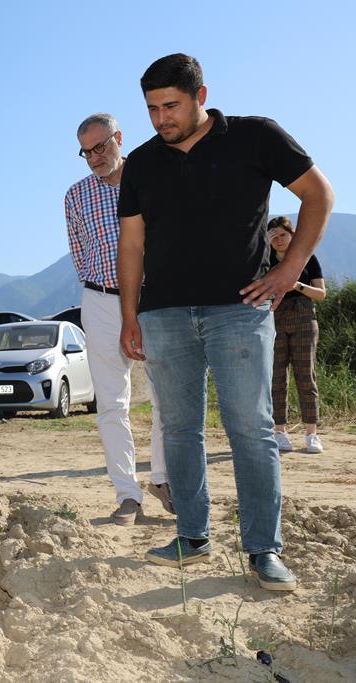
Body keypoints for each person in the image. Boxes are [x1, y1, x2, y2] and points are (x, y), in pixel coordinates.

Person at [117, 54, 334, 591]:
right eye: (151, 109)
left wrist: (287, 272)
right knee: (180, 429)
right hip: (163, 313)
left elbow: (318, 194)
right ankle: (192, 535)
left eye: (171, 106)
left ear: (201, 96)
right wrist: (129, 314)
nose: (161, 118)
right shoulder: (142, 163)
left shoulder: (255, 137)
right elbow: (132, 242)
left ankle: (264, 548)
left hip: (239, 309)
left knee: (251, 429)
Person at [64, 113, 171, 526]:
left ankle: (162, 479)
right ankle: (128, 496)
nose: (94, 157)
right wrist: (103, 291)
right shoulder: (75, 196)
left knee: (166, 396)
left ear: (119, 138)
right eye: (86, 152)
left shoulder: (150, 180)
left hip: (153, 300)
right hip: (101, 300)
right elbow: (80, 253)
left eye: (101, 147)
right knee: (111, 402)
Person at [267, 215, 327, 454]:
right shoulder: (266, 261)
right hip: (275, 319)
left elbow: (321, 294)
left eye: (282, 235)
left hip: (304, 319)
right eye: (273, 237)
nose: (278, 240)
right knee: (277, 378)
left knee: (306, 376)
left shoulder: (306, 259)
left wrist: (297, 285)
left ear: (292, 235)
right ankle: (279, 431)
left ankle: (312, 433)